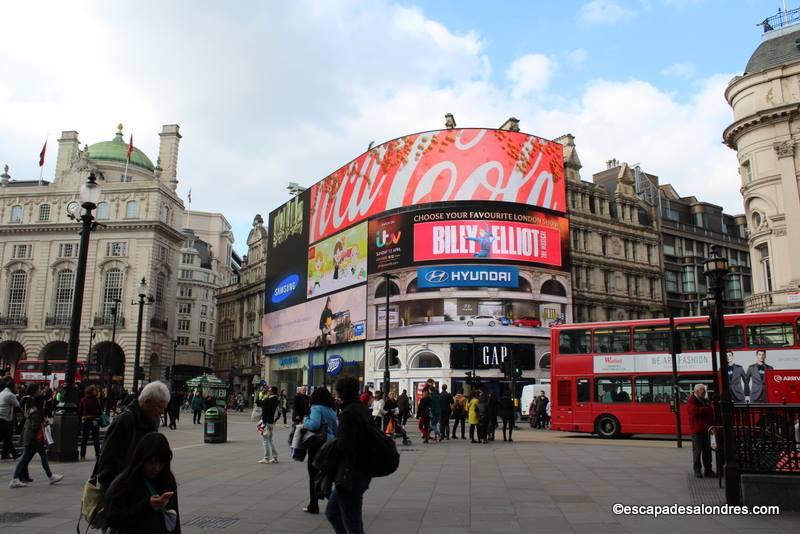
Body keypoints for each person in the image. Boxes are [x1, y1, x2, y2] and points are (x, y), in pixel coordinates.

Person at [93, 382, 169, 492]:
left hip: (139, 486)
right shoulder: (125, 420)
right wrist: (112, 492)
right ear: (147, 401)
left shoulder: (152, 421)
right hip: (122, 489)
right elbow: (108, 460)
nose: (161, 412)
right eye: (159, 407)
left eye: (164, 408)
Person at [105, 432, 180, 533]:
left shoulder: (168, 479)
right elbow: (112, 519)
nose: (156, 468)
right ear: (141, 460)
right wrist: (148, 506)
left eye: (161, 463)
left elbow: (174, 516)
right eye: (151, 462)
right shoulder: (124, 482)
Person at [326, 376, 372, 534]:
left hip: (351, 474)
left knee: (352, 522)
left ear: (341, 393)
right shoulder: (362, 409)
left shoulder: (349, 414)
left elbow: (344, 445)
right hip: (362, 470)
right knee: (332, 512)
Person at [10, 389, 63, 488]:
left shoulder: (33, 409)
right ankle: (15, 478)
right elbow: (34, 425)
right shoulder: (36, 412)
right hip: (34, 438)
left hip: (33, 437)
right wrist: (43, 422)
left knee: (38, 456)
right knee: (27, 457)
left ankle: (50, 476)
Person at [302, 387, 338, 514]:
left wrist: (305, 419)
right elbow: (335, 429)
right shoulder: (331, 410)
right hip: (330, 445)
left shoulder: (316, 408)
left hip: (317, 445)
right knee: (325, 475)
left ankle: (314, 505)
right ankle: (334, 502)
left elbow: (314, 425)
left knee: (314, 475)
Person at [687, 383, 715, 478]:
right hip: (697, 430)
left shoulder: (705, 400)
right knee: (697, 452)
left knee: (708, 452)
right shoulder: (691, 400)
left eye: (704, 390)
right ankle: (697, 470)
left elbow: (711, 412)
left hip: (707, 430)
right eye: (702, 390)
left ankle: (708, 470)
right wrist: (706, 409)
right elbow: (695, 411)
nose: (704, 392)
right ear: (697, 391)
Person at [79, 385, 103, 460]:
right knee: (96, 438)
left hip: (85, 420)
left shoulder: (83, 400)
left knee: (84, 438)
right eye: (95, 390)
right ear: (92, 391)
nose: (96, 391)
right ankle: (98, 454)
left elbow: (80, 411)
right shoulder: (96, 400)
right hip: (94, 420)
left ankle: (82, 455)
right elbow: (100, 410)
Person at [0, 376, 20, 461]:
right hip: (4, 418)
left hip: (2, 417)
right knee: (6, 437)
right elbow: (18, 405)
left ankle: (6, 454)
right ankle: (14, 455)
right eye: (15, 386)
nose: (16, 388)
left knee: (6, 437)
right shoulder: (10, 395)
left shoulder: (1, 393)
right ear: (12, 387)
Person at [258, 386, 280, 464]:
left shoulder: (269, 399)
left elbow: (258, 403)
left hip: (266, 422)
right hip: (271, 422)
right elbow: (278, 413)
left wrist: (262, 394)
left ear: (272, 392)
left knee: (265, 440)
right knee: (270, 440)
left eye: (269, 390)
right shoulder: (276, 400)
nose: (268, 391)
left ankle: (266, 458)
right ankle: (274, 457)